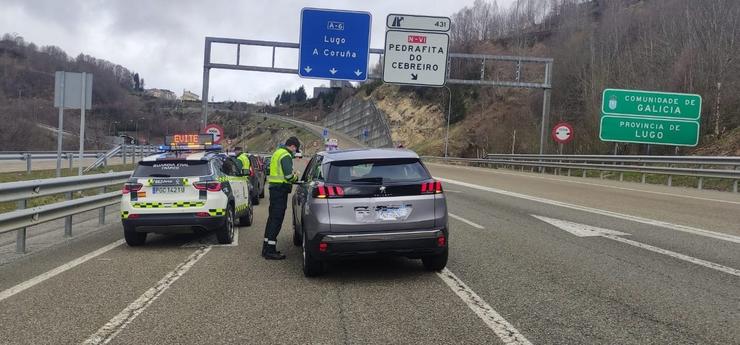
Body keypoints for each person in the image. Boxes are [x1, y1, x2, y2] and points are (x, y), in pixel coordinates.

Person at [262, 137, 300, 260]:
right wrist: (296, 177)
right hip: (280, 190)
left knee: (272, 218)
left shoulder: (277, 152)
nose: (295, 152)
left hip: (274, 189)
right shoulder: (285, 155)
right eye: (296, 149)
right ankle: (270, 250)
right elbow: (288, 176)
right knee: (277, 219)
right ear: (293, 146)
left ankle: (266, 246)